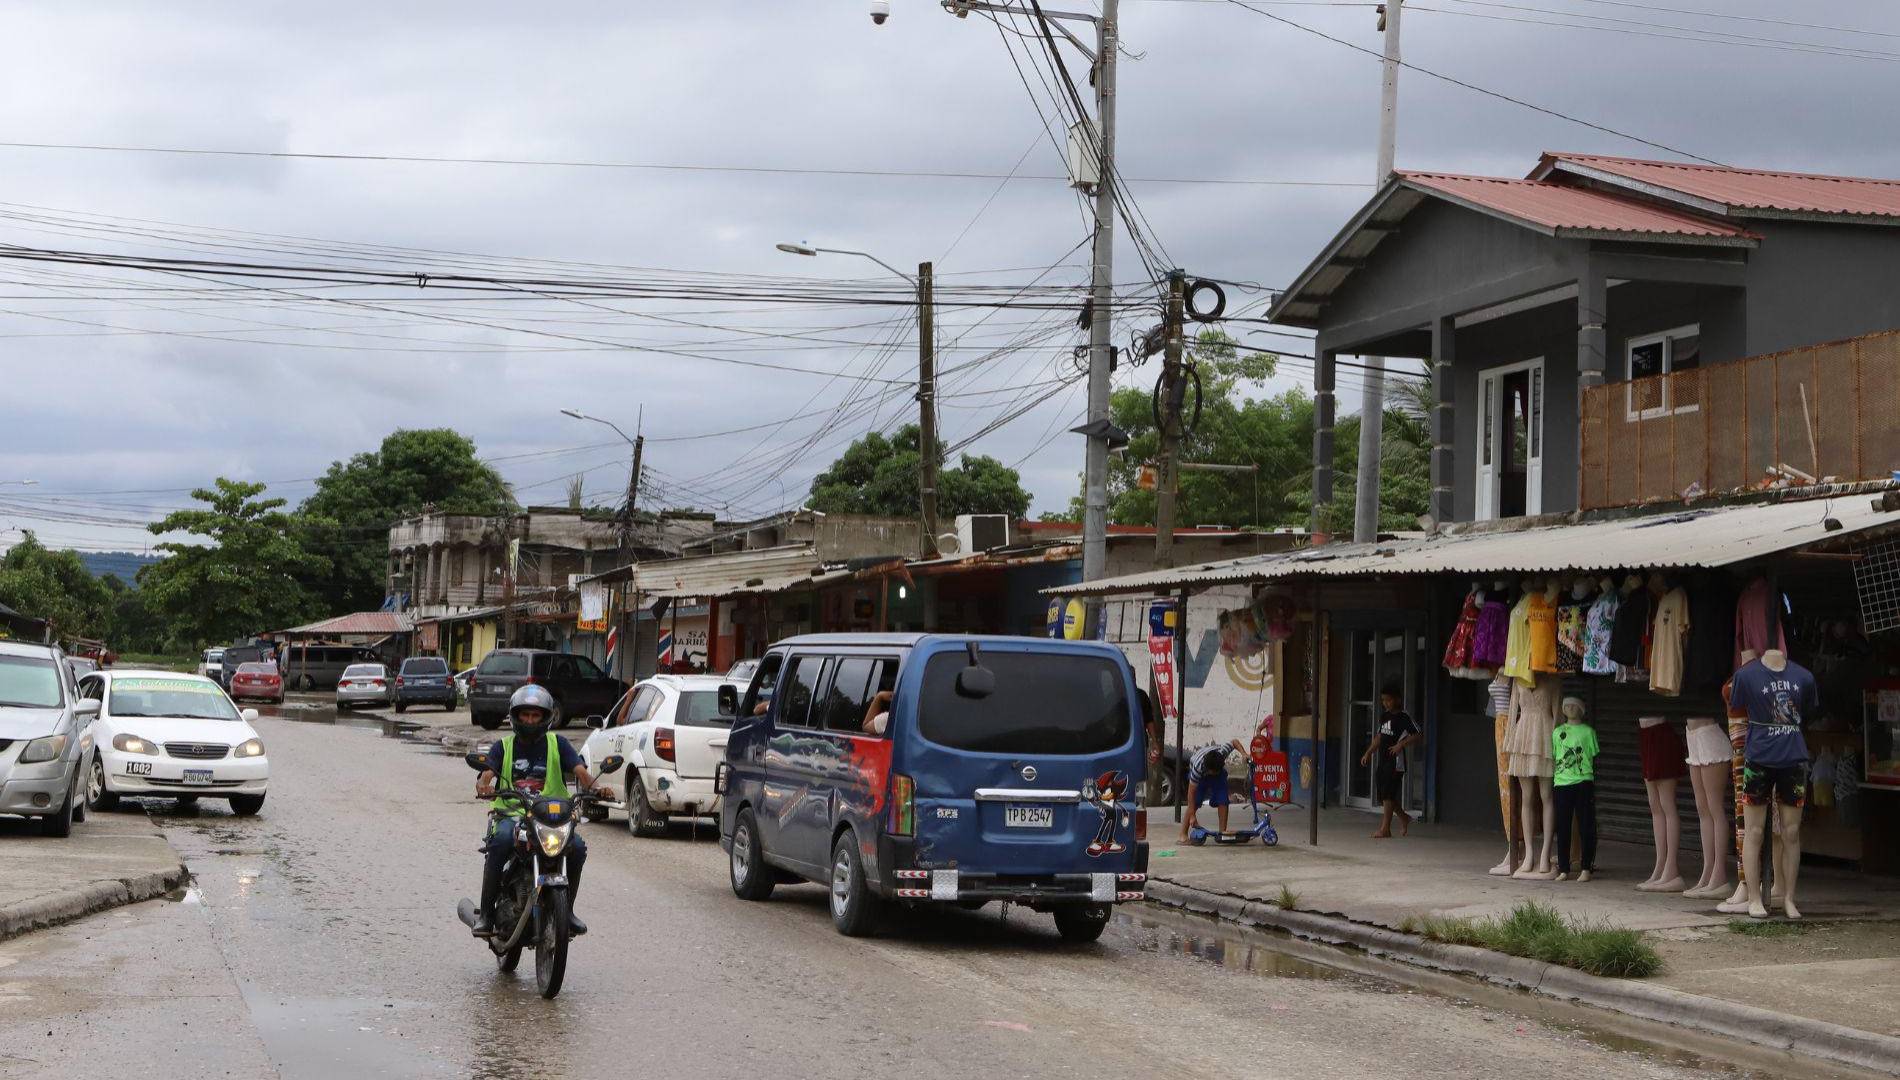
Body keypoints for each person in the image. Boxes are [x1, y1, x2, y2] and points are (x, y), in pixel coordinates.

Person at [472, 684, 605, 938]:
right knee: (499, 842)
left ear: (546, 718)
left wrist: (599, 789)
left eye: (535, 716)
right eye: (525, 715)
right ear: (515, 717)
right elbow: (487, 775)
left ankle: (567, 911)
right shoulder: (504, 746)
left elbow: (581, 772)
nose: (530, 721)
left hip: (550, 817)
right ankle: (487, 914)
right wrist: (484, 786)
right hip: (511, 814)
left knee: (576, 847)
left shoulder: (558, 744)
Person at [1362, 685, 1422, 838]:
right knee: (1383, 795)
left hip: (1396, 762)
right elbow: (1379, 737)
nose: (1385, 703)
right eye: (1383, 700)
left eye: (1388, 700)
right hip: (1382, 760)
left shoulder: (1404, 717)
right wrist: (1369, 752)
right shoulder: (1384, 716)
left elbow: (1418, 734)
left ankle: (1385, 829)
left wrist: (1401, 745)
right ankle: (1404, 817)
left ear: (1397, 699)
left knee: (1388, 794)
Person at [1178, 738, 1245, 842]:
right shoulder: (1198, 768)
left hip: (1215, 766)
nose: (1215, 774)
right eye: (1214, 773)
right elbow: (1191, 794)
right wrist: (1192, 816)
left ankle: (1222, 833)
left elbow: (1234, 742)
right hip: (1201, 775)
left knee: (1223, 799)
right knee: (1195, 802)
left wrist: (1244, 754)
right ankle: (1183, 834)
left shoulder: (1222, 753)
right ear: (1208, 769)